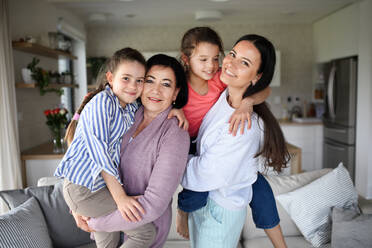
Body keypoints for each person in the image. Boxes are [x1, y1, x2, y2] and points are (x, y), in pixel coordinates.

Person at [55, 48, 185, 248]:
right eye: (150, 80)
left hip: (140, 222)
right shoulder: (128, 111)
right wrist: (81, 208)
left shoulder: (174, 133)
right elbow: (90, 153)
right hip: (101, 201)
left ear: (176, 92)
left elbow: (155, 203)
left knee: (143, 235)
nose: (156, 90)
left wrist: (94, 222)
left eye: (166, 84)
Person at [176, 27, 288, 248]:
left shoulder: (244, 126)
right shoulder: (223, 93)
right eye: (233, 55)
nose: (230, 64)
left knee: (261, 190)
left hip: (220, 208)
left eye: (244, 63)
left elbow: (207, 172)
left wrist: (170, 163)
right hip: (207, 202)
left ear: (257, 76)